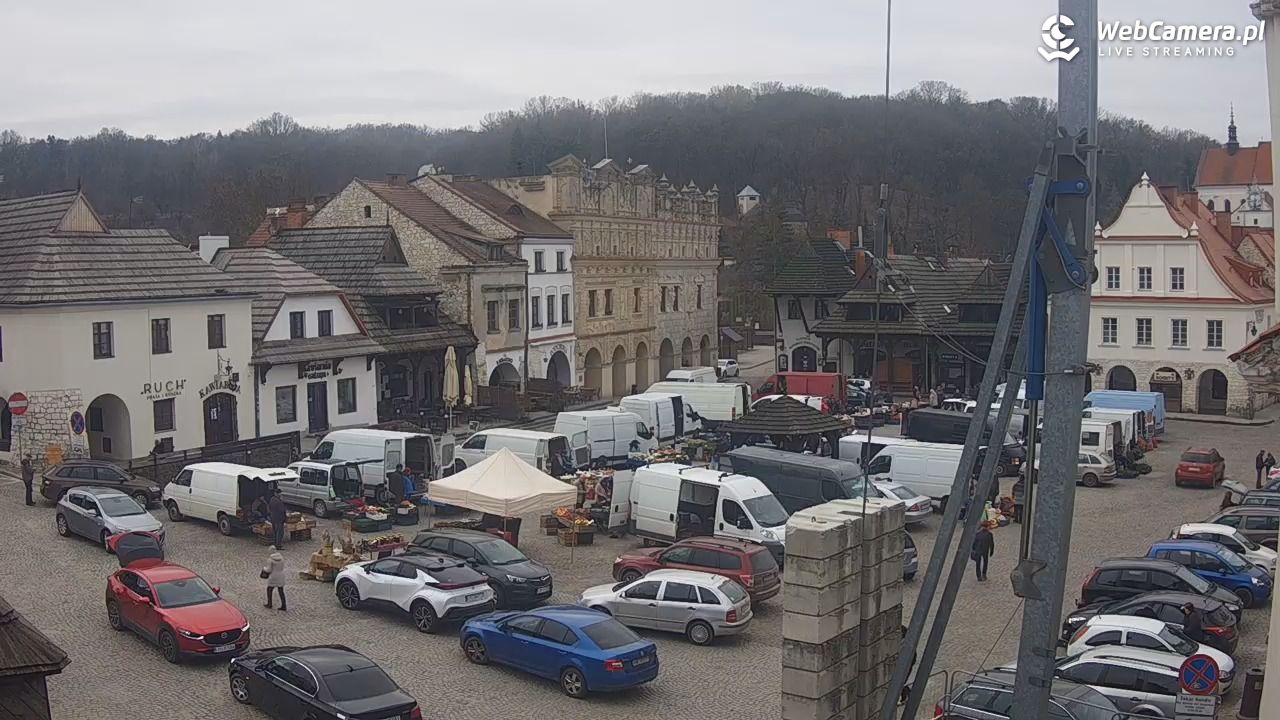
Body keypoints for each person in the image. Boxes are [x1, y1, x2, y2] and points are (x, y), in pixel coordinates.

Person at [263, 547, 286, 611]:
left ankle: (269, 604)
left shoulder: (270, 560)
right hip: (281, 575)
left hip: (273, 576)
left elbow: (269, 569)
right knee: (281, 591)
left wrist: (264, 568)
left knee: (269, 589)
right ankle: (284, 605)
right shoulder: (281, 558)